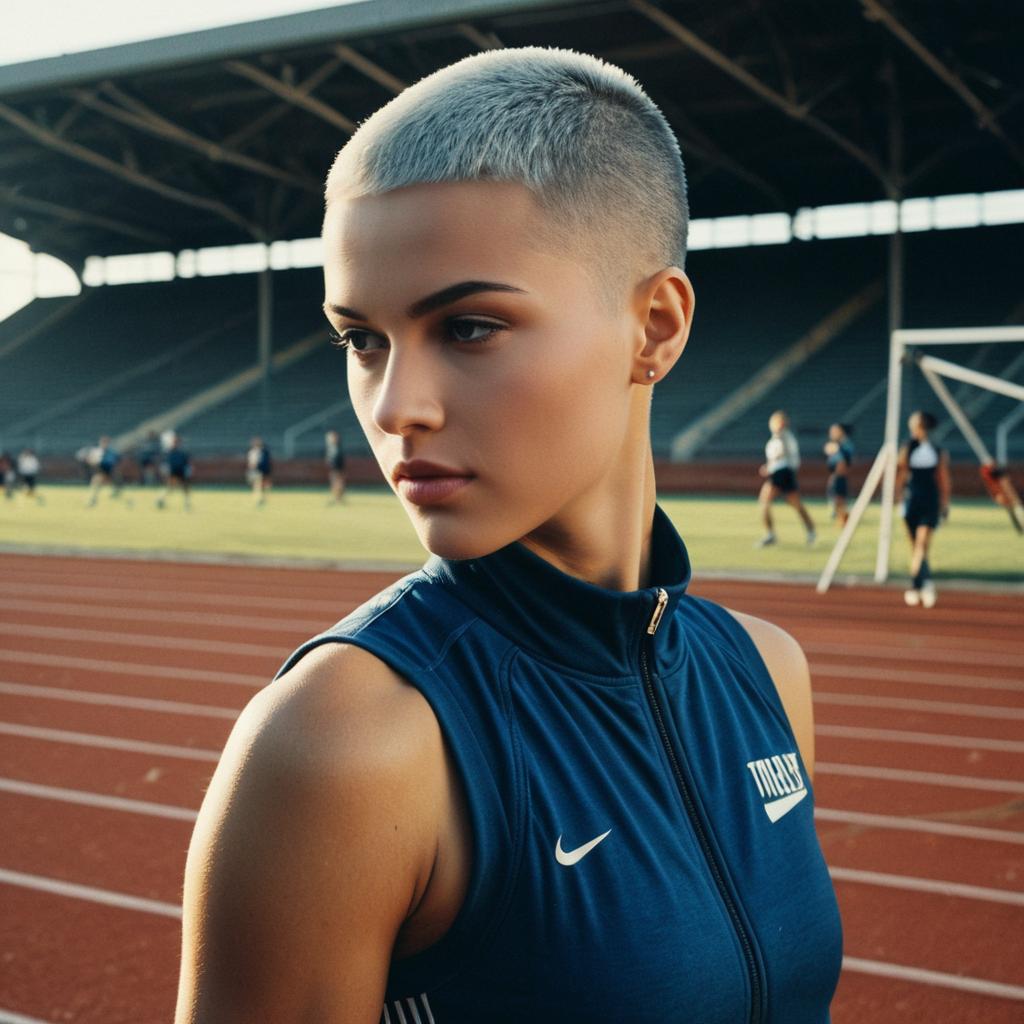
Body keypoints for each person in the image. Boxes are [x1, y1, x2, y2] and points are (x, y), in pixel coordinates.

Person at [177, 48, 842, 1024]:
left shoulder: (766, 672)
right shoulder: (344, 743)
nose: (396, 406)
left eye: (470, 327)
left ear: (654, 326)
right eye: (362, 339)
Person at [894, 410, 951, 608]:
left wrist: (945, 504)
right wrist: (899, 500)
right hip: (911, 502)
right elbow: (900, 476)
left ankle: (914, 586)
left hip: (930, 501)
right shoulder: (907, 448)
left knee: (922, 544)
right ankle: (925, 584)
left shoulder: (937, 450)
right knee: (917, 549)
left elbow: (943, 479)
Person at [756, 410, 816, 547]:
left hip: (784, 472)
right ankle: (772, 534)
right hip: (780, 473)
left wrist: (770, 466)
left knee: (787, 503)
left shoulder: (784, 436)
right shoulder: (775, 438)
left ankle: (809, 531)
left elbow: (783, 454)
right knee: (771, 502)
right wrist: (769, 467)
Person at [823, 422, 854, 528]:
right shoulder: (836, 445)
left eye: (835, 431)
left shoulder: (845, 445)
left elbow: (845, 462)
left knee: (840, 501)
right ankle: (843, 521)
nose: (832, 433)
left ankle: (846, 521)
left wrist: (836, 449)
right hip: (835, 476)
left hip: (840, 477)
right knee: (836, 501)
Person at [155, 435, 192, 511]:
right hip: (173, 471)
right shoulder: (169, 451)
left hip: (181, 471)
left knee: (185, 488)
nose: (176, 443)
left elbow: (186, 462)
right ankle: (161, 499)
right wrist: (164, 470)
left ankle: (187, 504)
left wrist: (188, 469)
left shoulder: (182, 452)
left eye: (177, 442)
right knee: (171, 487)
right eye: (175, 442)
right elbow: (164, 462)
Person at [85, 436, 122, 507]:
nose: (104, 444)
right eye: (103, 442)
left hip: (110, 472)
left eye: (106, 442)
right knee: (96, 484)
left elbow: (116, 462)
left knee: (118, 480)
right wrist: (92, 461)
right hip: (100, 471)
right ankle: (92, 500)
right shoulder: (96, 451)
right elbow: (90, 461)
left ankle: (117, 494)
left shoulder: (112, 452)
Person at [245, 436, 272, 506]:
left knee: (264, 485)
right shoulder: (252, 451)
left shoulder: (265, 451)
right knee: (257, 485)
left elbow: (267, 462)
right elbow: (252, 463)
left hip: (264, 470)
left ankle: (263, 498)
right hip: (257, 470)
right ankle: (258, 498)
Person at [325, 428, 347, 504]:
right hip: (334, 469)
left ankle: (339, 499)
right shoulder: (332, 447)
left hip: (338, 469)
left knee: (338, 484)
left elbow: (339, 459)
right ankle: (337, 498)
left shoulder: (337, 447)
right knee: (335, 484)